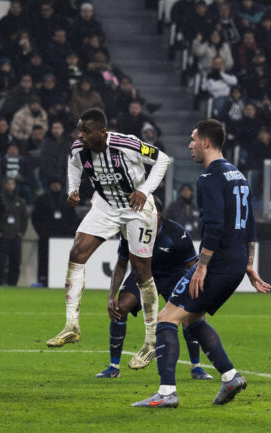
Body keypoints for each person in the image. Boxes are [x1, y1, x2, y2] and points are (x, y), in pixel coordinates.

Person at [132, 119, 270, 408]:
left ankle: (166, 393)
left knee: (166, 319)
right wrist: (248, 263)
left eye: (193, 139)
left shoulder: (209, 177)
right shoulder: (238, 176)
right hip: (235, 263)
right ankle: (230, 376)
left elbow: (214, 226)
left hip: (217, 262)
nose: (190, 145)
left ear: (206, 142)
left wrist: (203, 267)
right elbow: (250, 224)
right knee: (192, 320)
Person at [46, 108, 170, 373]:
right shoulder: (78, 149)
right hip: (105, 206)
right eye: (79, 129)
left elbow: (163, 159)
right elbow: (73, 164)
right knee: (77, 252)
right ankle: (71, 326)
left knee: (142, 273)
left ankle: (151, 341)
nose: (80, 135)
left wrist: (144, 190)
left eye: (86, 131)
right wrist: (73, 189)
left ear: (102, 132)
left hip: (137, 208)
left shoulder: (127, 144)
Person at [96, 198, 213, 379]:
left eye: (151, 214)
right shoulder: (131, 231)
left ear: (160, 215)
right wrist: (112, 296)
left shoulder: (177, 234)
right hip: (143, 274)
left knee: (192, 314)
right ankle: (114, 367)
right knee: (120, 308)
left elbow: (194, 266)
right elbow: (121, 264)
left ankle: (196, 367)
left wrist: (199, 297)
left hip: (174, 276)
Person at [30, 177, 78, 287]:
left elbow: (73, 218)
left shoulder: (67, 199)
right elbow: (35, 217)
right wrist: (41, 232)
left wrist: (70, 232)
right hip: (46, 236)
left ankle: (63, 279)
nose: (56, 186)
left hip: (64, 237)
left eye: (58, 184)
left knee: (63, 259)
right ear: (50, 185)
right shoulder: (42, 199)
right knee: (44, 258)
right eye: (53, 184)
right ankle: (43, 279)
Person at [0, 178, 28, 286]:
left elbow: (24, 218)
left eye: (12, 184)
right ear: (4, 185)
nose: (10, 186)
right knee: (0, 262)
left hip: (15, 236)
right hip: (2, 236)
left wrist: (21, 232)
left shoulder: (20, 201)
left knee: (15, 262)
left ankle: (12, 283)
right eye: (8, 184)